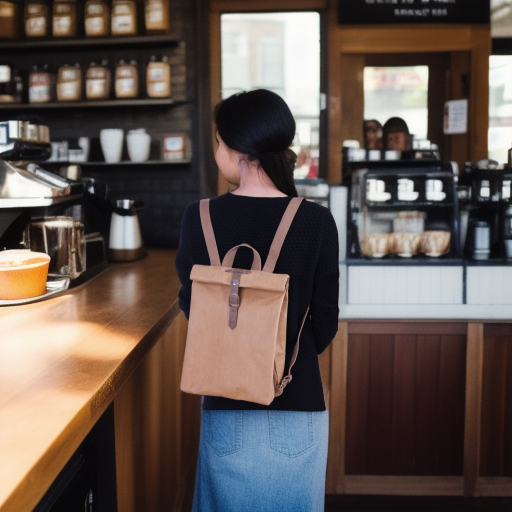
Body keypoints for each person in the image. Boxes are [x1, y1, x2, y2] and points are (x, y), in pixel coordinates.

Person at [175, 89, 340, 512]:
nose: (217, 153)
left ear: (235, 149)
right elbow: (324, 324)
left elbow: (195, 309)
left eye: (217, 143)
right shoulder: (317, 220)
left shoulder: (199, 217)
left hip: (224, 408)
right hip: (297, 405)